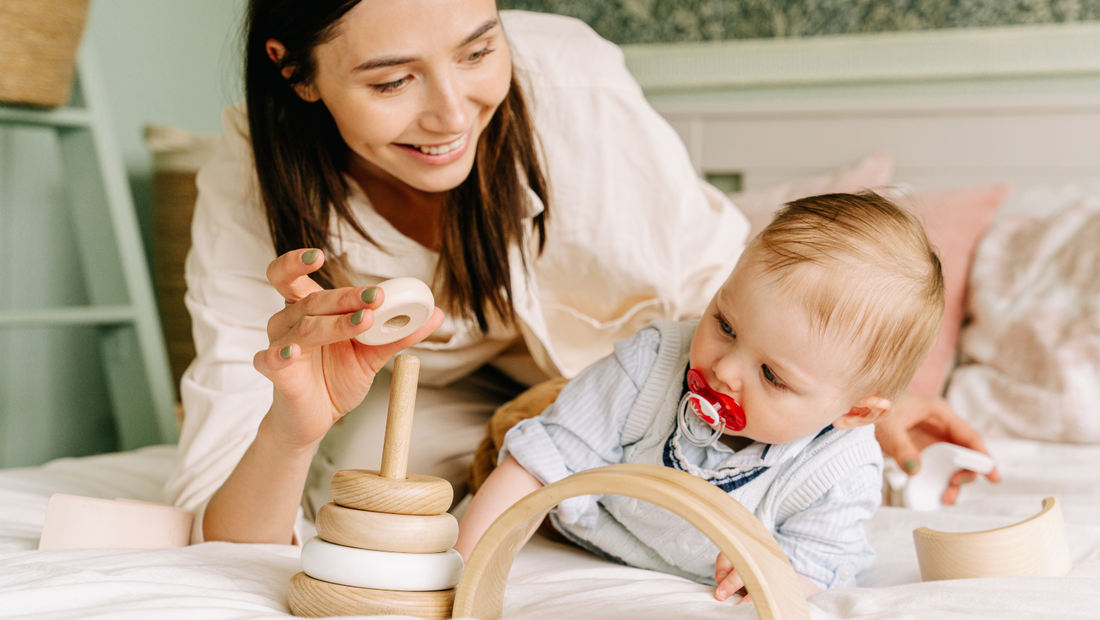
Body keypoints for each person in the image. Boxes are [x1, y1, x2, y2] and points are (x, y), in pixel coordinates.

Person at [165, 0, 996, 546]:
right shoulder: (255, 183)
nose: (454, 115)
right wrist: (291, 425)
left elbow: (738, 308)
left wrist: (845, 407)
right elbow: (220, 522)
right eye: (392, 80)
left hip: (640, 378)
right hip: (449, 404)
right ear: (295, 70)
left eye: (479, 50)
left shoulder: (574, 86)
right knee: (366, 492)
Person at [454, 193, 947, 601]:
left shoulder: (839, 469)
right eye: (725, 324)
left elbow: (819, 565)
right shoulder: (652, 364)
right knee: (513, 440)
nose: (724, 369)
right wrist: (464, 578)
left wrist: (775, 574)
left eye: (772, 375)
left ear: (855, 411)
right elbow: (534, 467)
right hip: (586, 507)